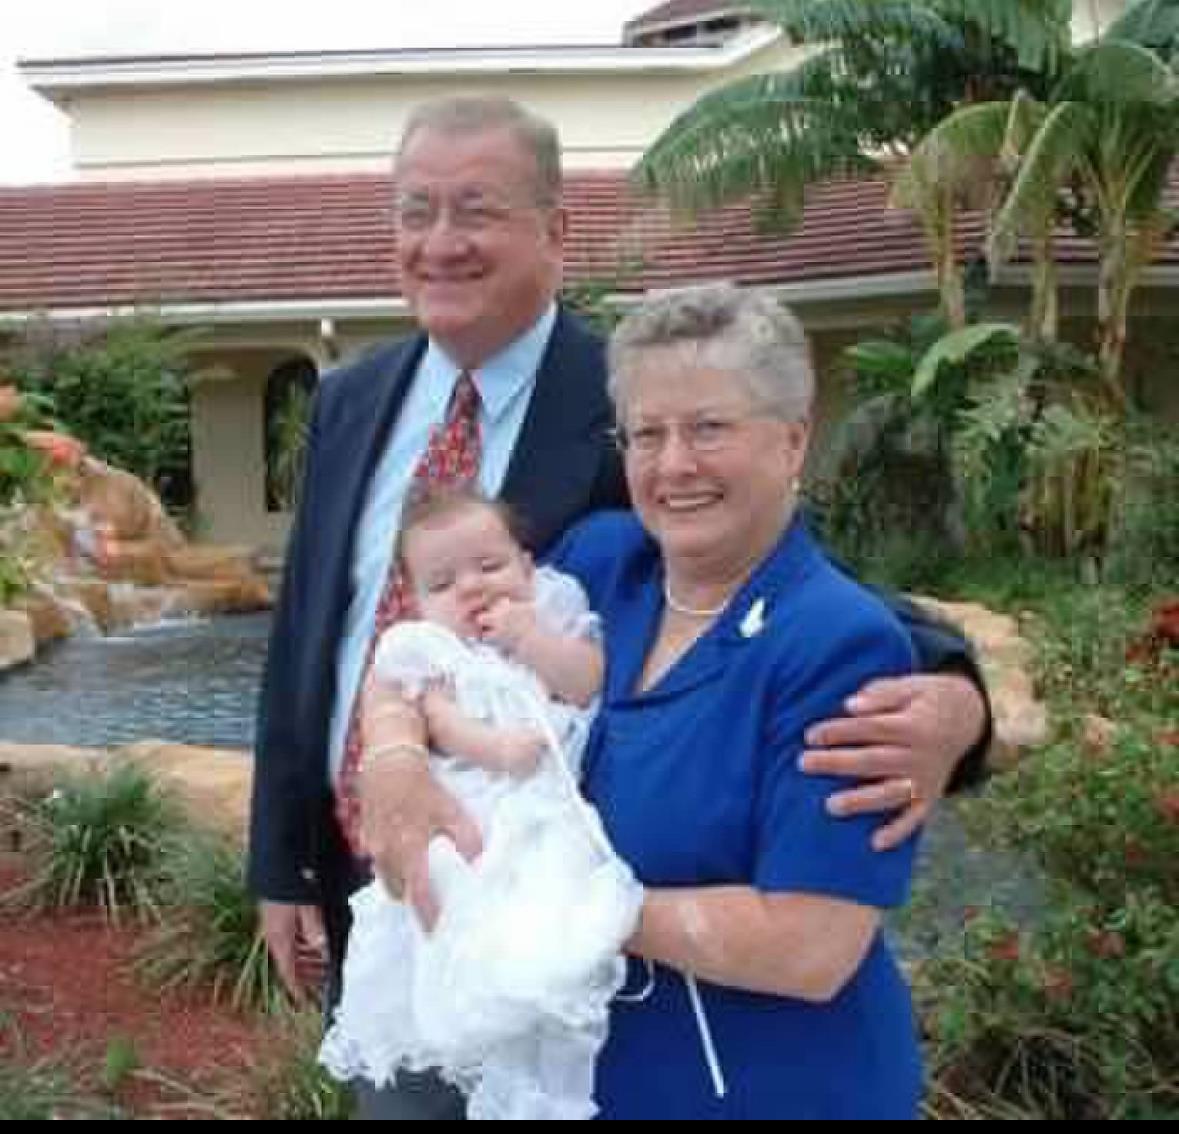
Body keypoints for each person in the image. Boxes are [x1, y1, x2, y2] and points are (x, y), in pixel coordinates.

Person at [247, 94, 990, 1121]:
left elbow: (789, 588)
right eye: (415, 212)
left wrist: (959, 697)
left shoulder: (624, 399)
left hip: (571, 965)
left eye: (477, 211)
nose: (440, 243)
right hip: (396, 903)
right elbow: (314, 636)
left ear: (557, 232)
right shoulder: (352, 398)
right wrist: (303, 835)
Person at [551, 283, 926, 1118]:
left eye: (708, 427)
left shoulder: (838, 644)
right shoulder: (596, 569)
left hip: (771, 1089)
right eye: (645, 434)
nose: (672, 463)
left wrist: (562, 904)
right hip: (592, 1082)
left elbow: (810, 945)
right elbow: (437, 656)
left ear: (792, 442)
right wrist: (396, 749)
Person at [319, 488, 643, 1120]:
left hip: (544, 808)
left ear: (526, 565)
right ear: (414, 597)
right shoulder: (429, 649)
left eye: (489, 568)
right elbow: (439, 722)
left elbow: (585, 682)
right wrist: (495, 748)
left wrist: (530, 638)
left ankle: (531, 1065)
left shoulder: (557, 610)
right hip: (470, 800)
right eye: (442, 582)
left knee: (546, 932)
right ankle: (461, 1019)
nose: (470, 588)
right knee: (445, 919)